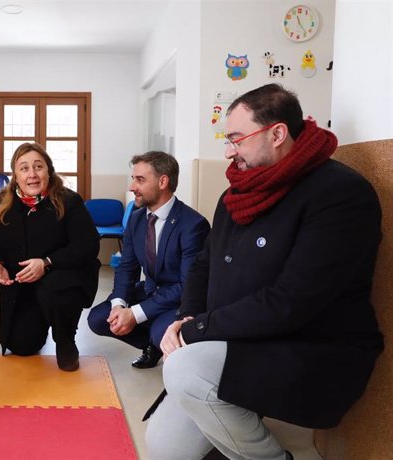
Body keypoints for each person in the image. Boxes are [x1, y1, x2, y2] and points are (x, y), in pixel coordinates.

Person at [145, 83, 383, 460]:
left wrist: (195, 331)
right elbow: (204, 264)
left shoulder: (340, 194)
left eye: (237, 139)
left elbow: (292, 302)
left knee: (185, 371)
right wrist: (188, 315)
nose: (228, 151)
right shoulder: (236, 193)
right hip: (238, 342)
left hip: (310, 351)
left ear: (276, 134)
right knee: (164, 449)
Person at [0, 142, 101, 371]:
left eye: (38, 167)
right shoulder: (2, 203)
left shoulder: (69, 201)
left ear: (49, 170)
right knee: (21, 346)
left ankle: (65, 339)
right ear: (15, 175)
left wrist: (46, 263)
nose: (32, 174)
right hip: (22, 287)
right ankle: (42, 319)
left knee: (52, 290)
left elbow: (88, 244)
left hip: (62, 282)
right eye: (24, 168)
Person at [87, 152, 209, 369]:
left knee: (158, 331)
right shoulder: (136, 219)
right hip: (151, 290)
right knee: (99, 318)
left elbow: (187, 285)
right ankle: (152, 343)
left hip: (179, 301)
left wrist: (135, 314)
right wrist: (120, 305)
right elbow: (127, 268)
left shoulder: (193, 225)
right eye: (133, 179)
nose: (132, 187)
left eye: (140, 180)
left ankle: (155, 343)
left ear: (163, 182)